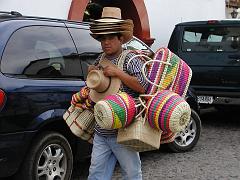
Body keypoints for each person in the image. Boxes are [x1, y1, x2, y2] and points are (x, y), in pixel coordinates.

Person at [87, 7, 148, 180]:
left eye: (111, 37)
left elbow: (143, 87)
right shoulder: (100, 59)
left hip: (124, 130)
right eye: (102, 38)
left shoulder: (131, 58)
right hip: (102, 130)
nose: (106, 42)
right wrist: (92, 74)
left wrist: (118, 73)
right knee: (96, 174)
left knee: (131, 174)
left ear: (121, 38)